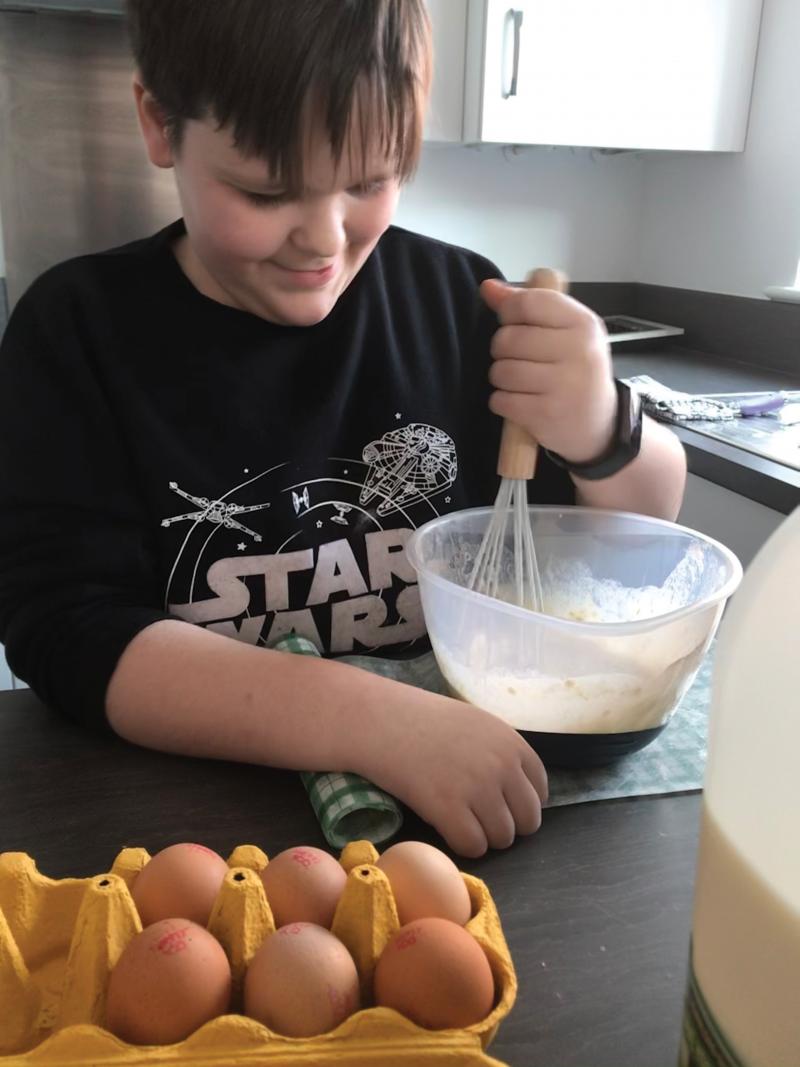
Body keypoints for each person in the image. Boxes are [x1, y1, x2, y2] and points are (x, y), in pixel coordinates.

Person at [0, 0, 686, 857]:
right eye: (265, 189)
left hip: (454, 838)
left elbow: (649, 523)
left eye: (369, 180)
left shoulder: (459, 305)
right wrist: (368, 719)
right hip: (207, 843)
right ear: (159, 123)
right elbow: (66, 631)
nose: (324, 241)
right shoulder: (77, 331)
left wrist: (602, 424)